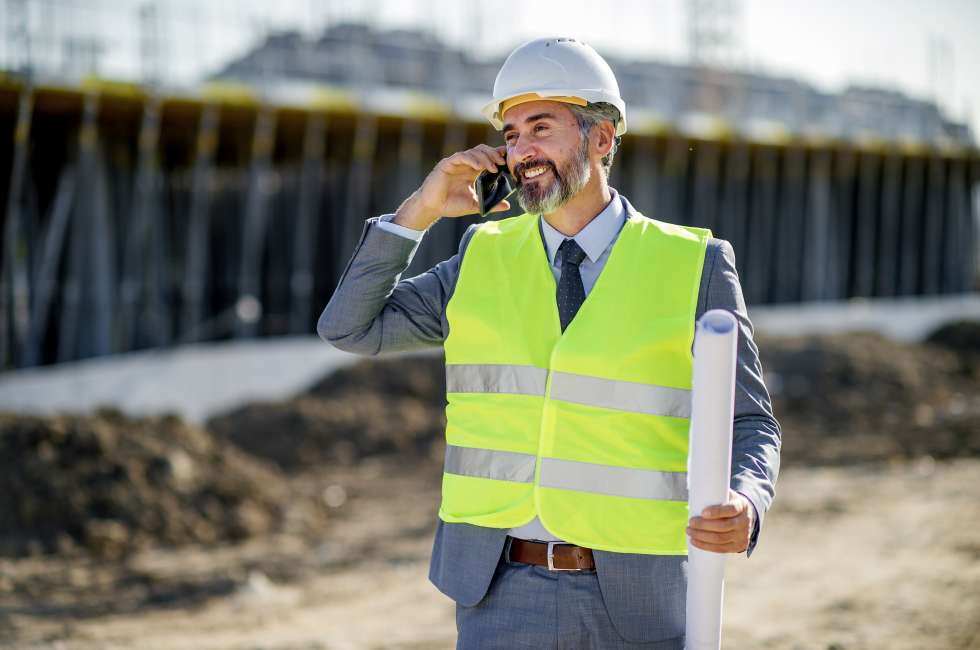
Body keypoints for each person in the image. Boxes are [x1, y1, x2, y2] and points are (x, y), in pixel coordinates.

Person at [318, 37, 780, 649]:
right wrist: (421, 211)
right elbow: (349, 326)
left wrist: (746, 504)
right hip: (501, 593)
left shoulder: (695, 264)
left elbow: (751, 423)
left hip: (637, 599)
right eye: (510, 135)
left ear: (602, 138)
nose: (521, 151)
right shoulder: (480, 257)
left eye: (541, 128)